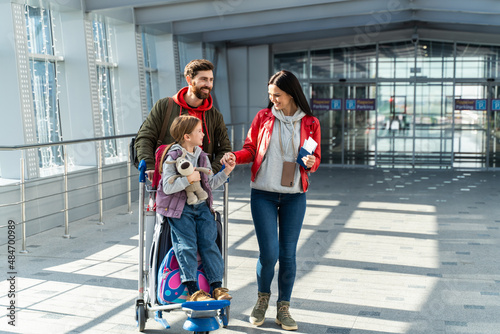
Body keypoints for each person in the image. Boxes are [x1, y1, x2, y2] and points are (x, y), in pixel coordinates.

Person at [222, 70, 321, 331]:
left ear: (291, 93)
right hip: (263, 194)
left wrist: (312, 162)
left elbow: (315, 157)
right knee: (269, 253)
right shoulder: (264, 118)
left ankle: (284, 308)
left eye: (277, 95)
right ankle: (261, 300)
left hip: (294, 197)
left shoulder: (310, 123)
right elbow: (251, 149)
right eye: (270, 95)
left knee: (288, 256)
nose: (273, 99)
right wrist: (235, 156)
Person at [156, 115, 235, 302]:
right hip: (180, 209)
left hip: (201, 206)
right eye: (199, 131)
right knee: (187, 245)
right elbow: (167, 186)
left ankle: (216, 287)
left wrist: (226, 172)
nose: (203, 134)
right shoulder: (173, 156)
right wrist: (187, 180)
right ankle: (193, 290)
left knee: (209, 243)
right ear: (186, 136)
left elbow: (208, 184)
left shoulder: (201, 156)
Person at [134, 59, 232, 180]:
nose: (208, 84)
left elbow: (225, 150)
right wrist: (149, 165)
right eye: (203, 79)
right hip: (167, 180)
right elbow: (145, 137)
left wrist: (208, 171)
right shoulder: (165, 106)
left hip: (198, 184)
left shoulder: (215, 115)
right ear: (189, 80)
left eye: (211, 80)